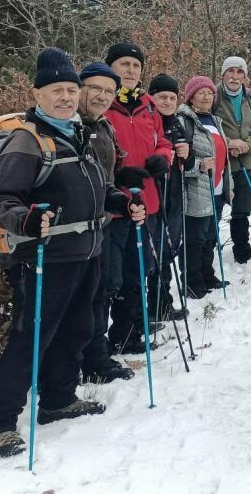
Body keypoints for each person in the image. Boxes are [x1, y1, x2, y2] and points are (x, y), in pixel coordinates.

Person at [0, 48, 144, 458]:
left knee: (77, 329)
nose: (67, 97)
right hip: (45, 258)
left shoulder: (80, 133)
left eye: (72, 90)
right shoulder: (27, 140)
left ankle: (58, 398)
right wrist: (26, 220)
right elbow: (3, 201)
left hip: (87, 251)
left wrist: (122, 203)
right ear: (38, 93)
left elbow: (98, 190)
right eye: (58, 90)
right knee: (31, 338)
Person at [103, 42, 172, 355]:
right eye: (124, 64)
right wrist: (118, 177)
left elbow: (164, 141)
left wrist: (163, 157)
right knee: (112, 277)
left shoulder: (148, 106)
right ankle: (99, 341)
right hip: (114, 207)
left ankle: (128, 332)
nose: (130, 71)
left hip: (148, 203)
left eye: (135, 65)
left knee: (138, 270)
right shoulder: (102, 104)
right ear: (111, 69)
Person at [75, 61, 135, 385]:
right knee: (85, 297)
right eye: (94, 88)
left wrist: (126, 181)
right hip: (75, 229)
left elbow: (107, 173)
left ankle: (96, 358)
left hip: (103, 221)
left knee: (101, 292)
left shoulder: (103, 125)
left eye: (108, 91)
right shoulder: (72, 126)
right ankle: (81, 360)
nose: (101, 95)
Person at [212, 56, 251, 264]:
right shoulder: (212, 95)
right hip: (221, 163)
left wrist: (246, 144)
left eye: (240, 72)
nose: (235, 76)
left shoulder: (250, 96)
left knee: (242, 208)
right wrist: (229, 143)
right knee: (215, 208)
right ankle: (207, 253)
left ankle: (242, 250)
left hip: (246, 161)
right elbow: (206, 126)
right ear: (223, 74)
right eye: (231, 71)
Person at [177, 76, 234, 298]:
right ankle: (191, 282)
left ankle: (207, 275)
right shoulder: (183, 121)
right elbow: (179, 158)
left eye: (210, 92)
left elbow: (223, 155)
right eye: (201, 92)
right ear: (191, 97)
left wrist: (229, 184)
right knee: (194, 238)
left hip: (217, 187)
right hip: (196, 189)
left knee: (211, 235)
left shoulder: (215, 121)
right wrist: (197, 166)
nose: (206, 96)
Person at [146, 73, 189, 323]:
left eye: (172, 97)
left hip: (174, 196)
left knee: (168, 252)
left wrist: (187, 153)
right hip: (155, 196)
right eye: (162, 96)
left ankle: (163, 304)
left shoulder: (176, 123)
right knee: (154, 255)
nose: (168, 101)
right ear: (152, 97)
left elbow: (187, 159)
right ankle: (150, 307)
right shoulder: (148, 121)